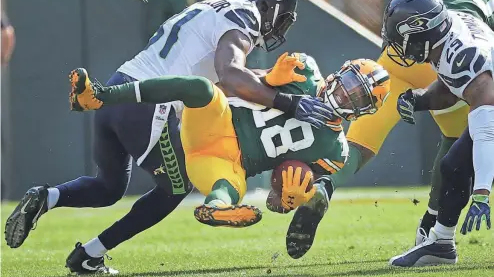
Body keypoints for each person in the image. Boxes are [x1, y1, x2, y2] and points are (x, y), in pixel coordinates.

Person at [5, 0, 334, 275]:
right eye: (281, 16)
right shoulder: (244, 16)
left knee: (108, 187)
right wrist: (286, 102)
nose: (280, 26)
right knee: (176, 188)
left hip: (120, 89)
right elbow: (231, 74)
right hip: (149, 107)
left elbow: (219, 79)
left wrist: (268, 85)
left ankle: (46, 197)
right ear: (266, 3)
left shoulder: (211, 6)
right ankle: (91, 254)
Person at [281, 0, 494, 260]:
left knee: (363, 137)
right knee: (456, 143)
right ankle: (433, 226)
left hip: (407, 45)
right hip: (441, 50)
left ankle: (327, 185)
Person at [69, 54, 390, 228]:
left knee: (230, 188)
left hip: (229, 163)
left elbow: (273, 203)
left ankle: (215, 209)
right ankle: (101, 95)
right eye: (349, 83)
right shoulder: (304, 72)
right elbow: (230, 82)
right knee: (200, 88)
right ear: (340, 71)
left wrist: (287, 198)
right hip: (216, 120)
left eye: (357, 95)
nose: (345, 93)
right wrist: (267, 79)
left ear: (364, 110)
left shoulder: (335, 151)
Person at [384, 0, 494, 267]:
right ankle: (441, 244)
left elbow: (487, 132)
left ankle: (441, 242)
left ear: (421, 32)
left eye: (402, 41)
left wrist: (481, 192)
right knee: (453, 166)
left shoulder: (466, 57)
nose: (399, 48)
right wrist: (421, 99)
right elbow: (453, 84)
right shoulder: (447, 34)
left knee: (461, 163)